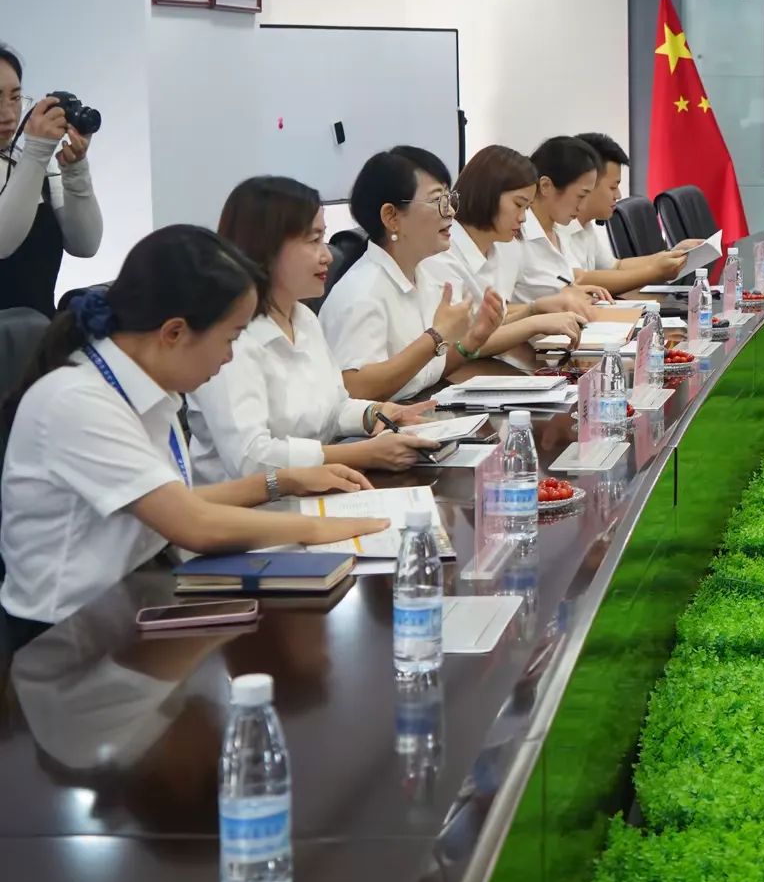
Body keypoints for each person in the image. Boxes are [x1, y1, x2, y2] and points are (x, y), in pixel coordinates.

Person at [0, 226, 390, 639]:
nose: (229, 357)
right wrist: (324, 528)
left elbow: (173, 501)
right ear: (174, 333)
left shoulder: (149, 385)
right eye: (230, 338)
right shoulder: (78, 402)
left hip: (138, 598)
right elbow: (194, 524)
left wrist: (284, 481)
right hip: (67, 636)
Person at [188, 175, 443, 482]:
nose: (327, 256)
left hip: (313, 487)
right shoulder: (231, 338)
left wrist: (375, 413)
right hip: (249, 505)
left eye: (324, 238)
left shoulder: (303, 318)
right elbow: (250, 458)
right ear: (266, 248)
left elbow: (333, 408)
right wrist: (361, 454)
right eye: (313, 241)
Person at [320, 148, 506, 401]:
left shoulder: (425, 274)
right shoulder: (361, 292)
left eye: (449, 198)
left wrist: (473, 340)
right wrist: (436, 337)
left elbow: (423, 375)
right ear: (391, 217)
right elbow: (356, 389)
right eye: (437, 201)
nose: (451, 211)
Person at [421, 145, 598, 335]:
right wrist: (534, 322)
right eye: (518, 204)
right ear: (487, 193)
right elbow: (461, 343)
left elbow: (493, 326)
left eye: (527, 208)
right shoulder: (443, 252)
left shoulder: (502, 248)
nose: (523, 218)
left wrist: (534, 309)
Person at [517, 136, 693, 299]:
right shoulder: (522, 234)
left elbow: (612, 267)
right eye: (582, 194)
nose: (582, 205)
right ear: (546, 186)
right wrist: (654, 271)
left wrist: (670, 256)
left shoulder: (557, 228)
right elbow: (579, 279)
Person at [0, 43, 102, 316]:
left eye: (15, 98)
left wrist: (75, 171)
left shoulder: (31, 164)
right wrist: (36, 152)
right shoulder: (33, 159)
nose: (8, 114)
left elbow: (85, 245)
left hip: (40, 334)